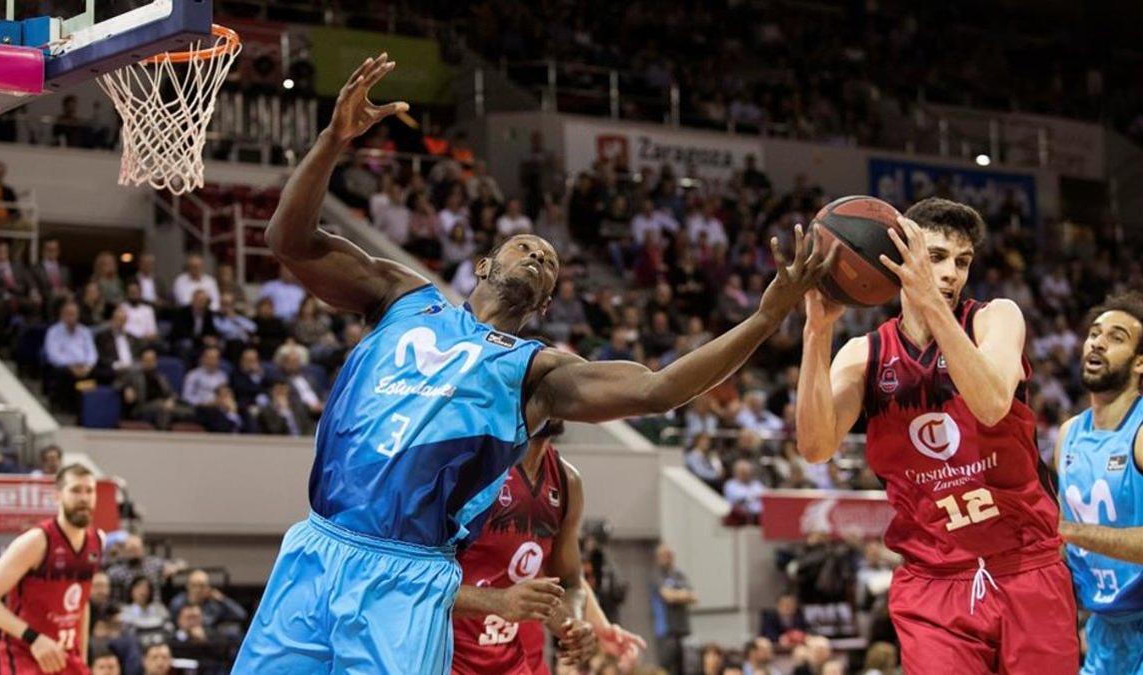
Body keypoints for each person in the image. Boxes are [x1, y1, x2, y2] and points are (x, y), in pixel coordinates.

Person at [233, 53, 831, 674]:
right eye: (525, 247)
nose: (539, 256)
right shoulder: (405, 297)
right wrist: (333, 142)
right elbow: (288, 241)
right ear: (485, 265)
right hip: (317, 542)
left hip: (407, 574)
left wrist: (765, 319)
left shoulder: (537, 372)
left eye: (549, 261)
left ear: (545, 304)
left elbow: (659, 390)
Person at [794, 197, 1079, 672]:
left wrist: (930, 303)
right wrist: (816, 332)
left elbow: (990, 405)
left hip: (1026, 568)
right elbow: (815, 446)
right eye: (936, 256)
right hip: (932, 583)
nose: (950, 273)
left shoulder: (995, 318)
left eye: (962, 261)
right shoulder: (864, 354)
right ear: (898, 256)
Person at [451, 420, 645, 673]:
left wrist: (580, 623)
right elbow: (416, 582)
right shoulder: (471, 466)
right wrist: (498, 601)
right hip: (454, 658)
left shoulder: (566, 480)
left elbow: (568, 580)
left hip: (521, 657)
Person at [1055, 291, 1143, 675]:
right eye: (1095, 333)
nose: (1098, 342)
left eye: (1117, 337)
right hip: (1104, 629)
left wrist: (1069, 532)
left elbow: (1063, 532)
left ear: (1140, 363)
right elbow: (1059, 545)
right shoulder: (1068, 434)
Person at [0, 464, 105, 674]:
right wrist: (34, 639)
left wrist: (81, 657)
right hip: (26, 653)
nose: (84, 498)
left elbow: (82, 603)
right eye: (75, 490)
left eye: (89, 491)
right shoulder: (36, 541)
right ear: (57, 496)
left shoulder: (98, 540)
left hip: (65, 655)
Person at [650, 544, 696, 675]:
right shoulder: (656, 575)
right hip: (665, 630)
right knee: (666, 668)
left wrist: (677, 595)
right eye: (664, 555)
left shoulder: (679, 574)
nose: (667, 558)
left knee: (683, 668)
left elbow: (694, 596)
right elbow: (667, 596)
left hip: (682, 630)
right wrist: (682, 594)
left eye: (669, 555)